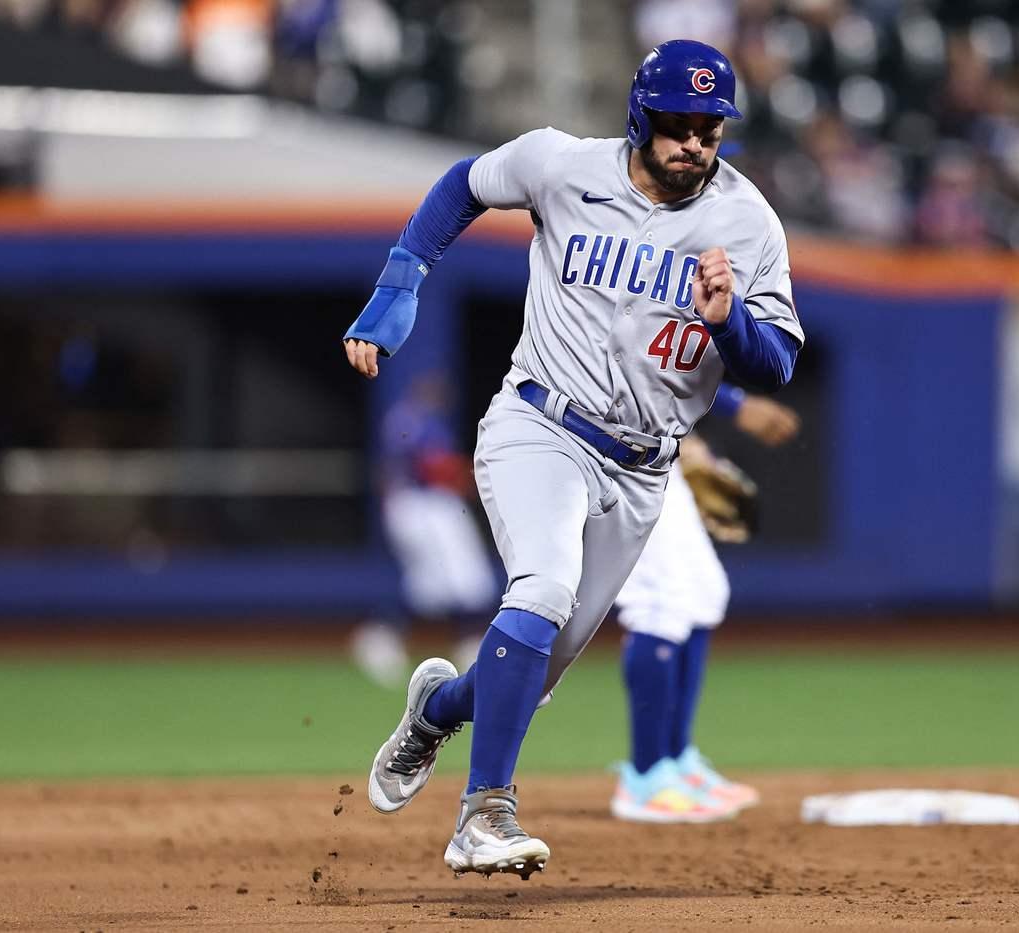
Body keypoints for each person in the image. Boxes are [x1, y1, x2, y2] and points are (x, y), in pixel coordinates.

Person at [342, 39, 803, 879]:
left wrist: (730, 320)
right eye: (677, 122)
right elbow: (464, 186)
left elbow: (776, 363)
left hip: (641, 471)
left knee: (527, 672)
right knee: (542, 589)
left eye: (710, 126)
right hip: (540, 426)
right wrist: (399, 282)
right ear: (639, 113)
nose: (694, 141)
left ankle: (436, 711)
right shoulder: (562, 166)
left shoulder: (748, 221)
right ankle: (486, 812)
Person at [611, 386, 799, 823]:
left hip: (651, 439)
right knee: (663, 598)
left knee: (702, 589)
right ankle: (644, 775)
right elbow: (628, 352)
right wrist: (733, 404)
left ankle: (674, 761)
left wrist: (681, 433)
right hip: (606, 444)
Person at [349, 374, 497, 689]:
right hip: (425, 505)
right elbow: (435, 467)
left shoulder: (402, 418)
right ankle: (466, 643)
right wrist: (477, 478)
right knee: (464, 577)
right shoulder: (419, 421)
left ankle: (382, 635)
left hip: (410, 505)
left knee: (430, 585)